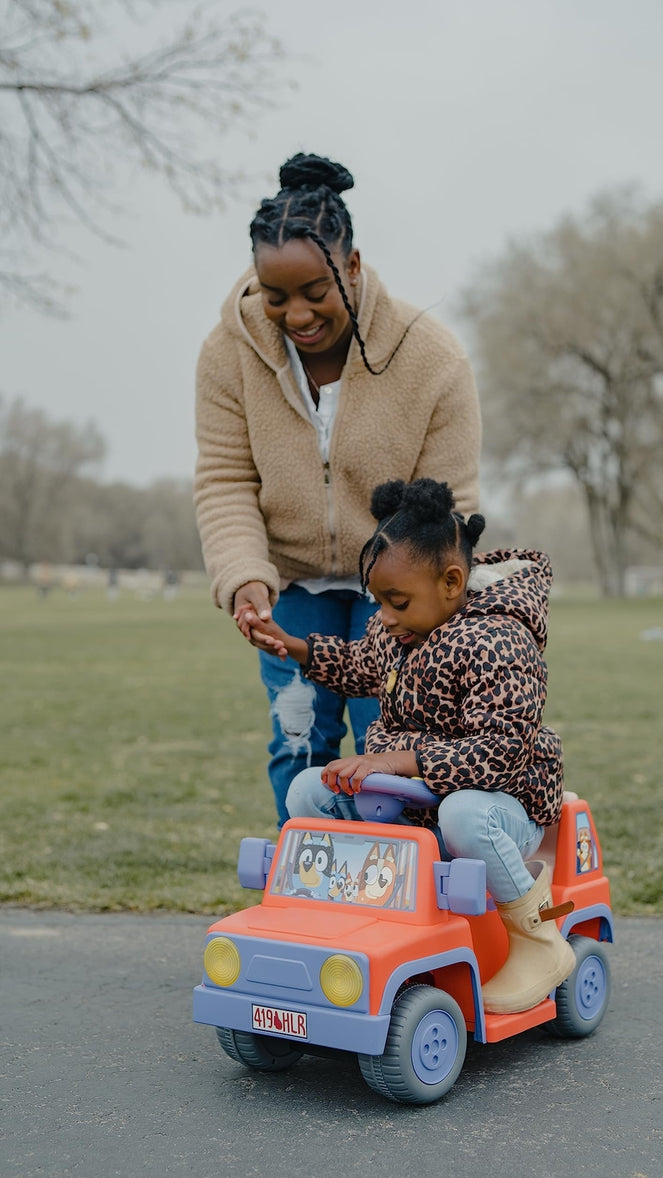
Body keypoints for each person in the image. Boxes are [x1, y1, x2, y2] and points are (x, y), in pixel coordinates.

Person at [194, 153, 482, 828]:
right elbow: (225, 477)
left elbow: (453, 505)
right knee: (299, 749)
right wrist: (243, 579)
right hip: (291, 588)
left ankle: (399, 905)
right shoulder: (227, 355)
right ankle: (306, 902)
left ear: (352, 267)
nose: (296, 314)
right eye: (276, 296)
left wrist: (422, 610)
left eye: (314, 291)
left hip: (395, 591)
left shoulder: (430, 358)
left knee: (390, 753)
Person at [255, 478, 575, 1016]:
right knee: (310, 789)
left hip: (503, 810)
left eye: (396, 602)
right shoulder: (399, 631)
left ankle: (538, 942)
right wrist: (298, 648)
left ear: (452, 582)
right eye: (377, 602)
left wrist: (396, 761)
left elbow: (498, 754)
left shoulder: (500, 640)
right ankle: (347, 910)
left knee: (464, 812)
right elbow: (361, 665)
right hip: (413, 803)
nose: (382, 616)